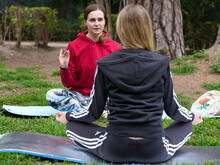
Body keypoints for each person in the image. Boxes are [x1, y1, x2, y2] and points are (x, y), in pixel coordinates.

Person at [55, 4, 203, 164]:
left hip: (116, 148)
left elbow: (93, 112)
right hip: (154, 150)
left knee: (71, 127)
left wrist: (68, 117)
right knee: (186, 125)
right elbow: (173, 109)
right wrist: (192, 117)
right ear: (147, 29)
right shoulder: (162, 63)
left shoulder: (105, 64)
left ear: (120, 29)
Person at [46, 4, 120, 111]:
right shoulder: (74, 46)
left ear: (105, 21)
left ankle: (88, 109)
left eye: (100, 19)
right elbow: (68, 84)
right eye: (92, 20)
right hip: (81, 96)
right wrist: (64, 67)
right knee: (52, 95)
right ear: (85, 22)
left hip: (106, 97)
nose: (97, 24)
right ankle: (95, 109)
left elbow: (118, 80)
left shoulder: (115, 47)